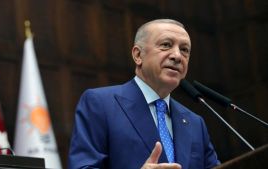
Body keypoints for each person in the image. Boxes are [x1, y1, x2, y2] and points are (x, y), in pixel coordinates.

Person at [68, 19, 220, 169]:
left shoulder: (195, 123)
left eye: (184, 50)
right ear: (138, 55)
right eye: (166, 45)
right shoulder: (100, 103)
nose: (177, 56)